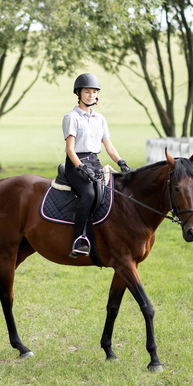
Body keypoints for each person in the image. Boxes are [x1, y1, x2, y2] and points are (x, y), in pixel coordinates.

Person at [62, 73, 131, 258]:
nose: (91, 95)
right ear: (79, 93)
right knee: (89, 193)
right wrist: (80, 167)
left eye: (94, 92)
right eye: (87, 92)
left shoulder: (100, 119)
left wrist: (121, 162)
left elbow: (108, 145)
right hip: (76, 163)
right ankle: (78, 239)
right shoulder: (71, 117)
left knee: (114, 189)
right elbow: (70, 149)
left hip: (94, 161)